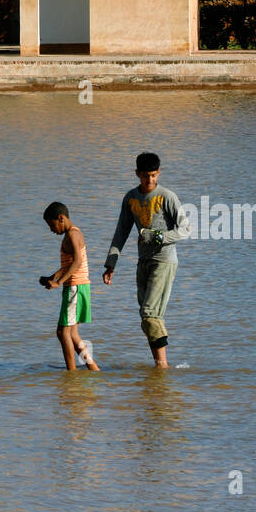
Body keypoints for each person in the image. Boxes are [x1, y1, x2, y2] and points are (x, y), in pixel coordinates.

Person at [102, 151, 188, 368]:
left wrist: (158, 236)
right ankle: (159, 367)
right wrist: (111, 263)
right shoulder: (131, 198)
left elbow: (185, 229)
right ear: (136, 174)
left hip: (164, 260)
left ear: (158, 173)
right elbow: (121, 231)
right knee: (146, 316)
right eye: (144, 176)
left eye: (153, 175)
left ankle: (163, 366)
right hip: (143, 261)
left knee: (150, 313)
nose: (149, 180)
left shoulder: (167, 196)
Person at [41, 202, 100, 371]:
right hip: (80, 286)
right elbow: (69, 264)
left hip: (75, 287)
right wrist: (53, 277)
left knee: (62, 332)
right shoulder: (73, 234)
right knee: (72, 333)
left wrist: (59, 283)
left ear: (61, 218)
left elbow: (77, 262)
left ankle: (71, 372)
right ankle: (93, 368)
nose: (52, 230)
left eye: (52, 225)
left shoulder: (72, 235)